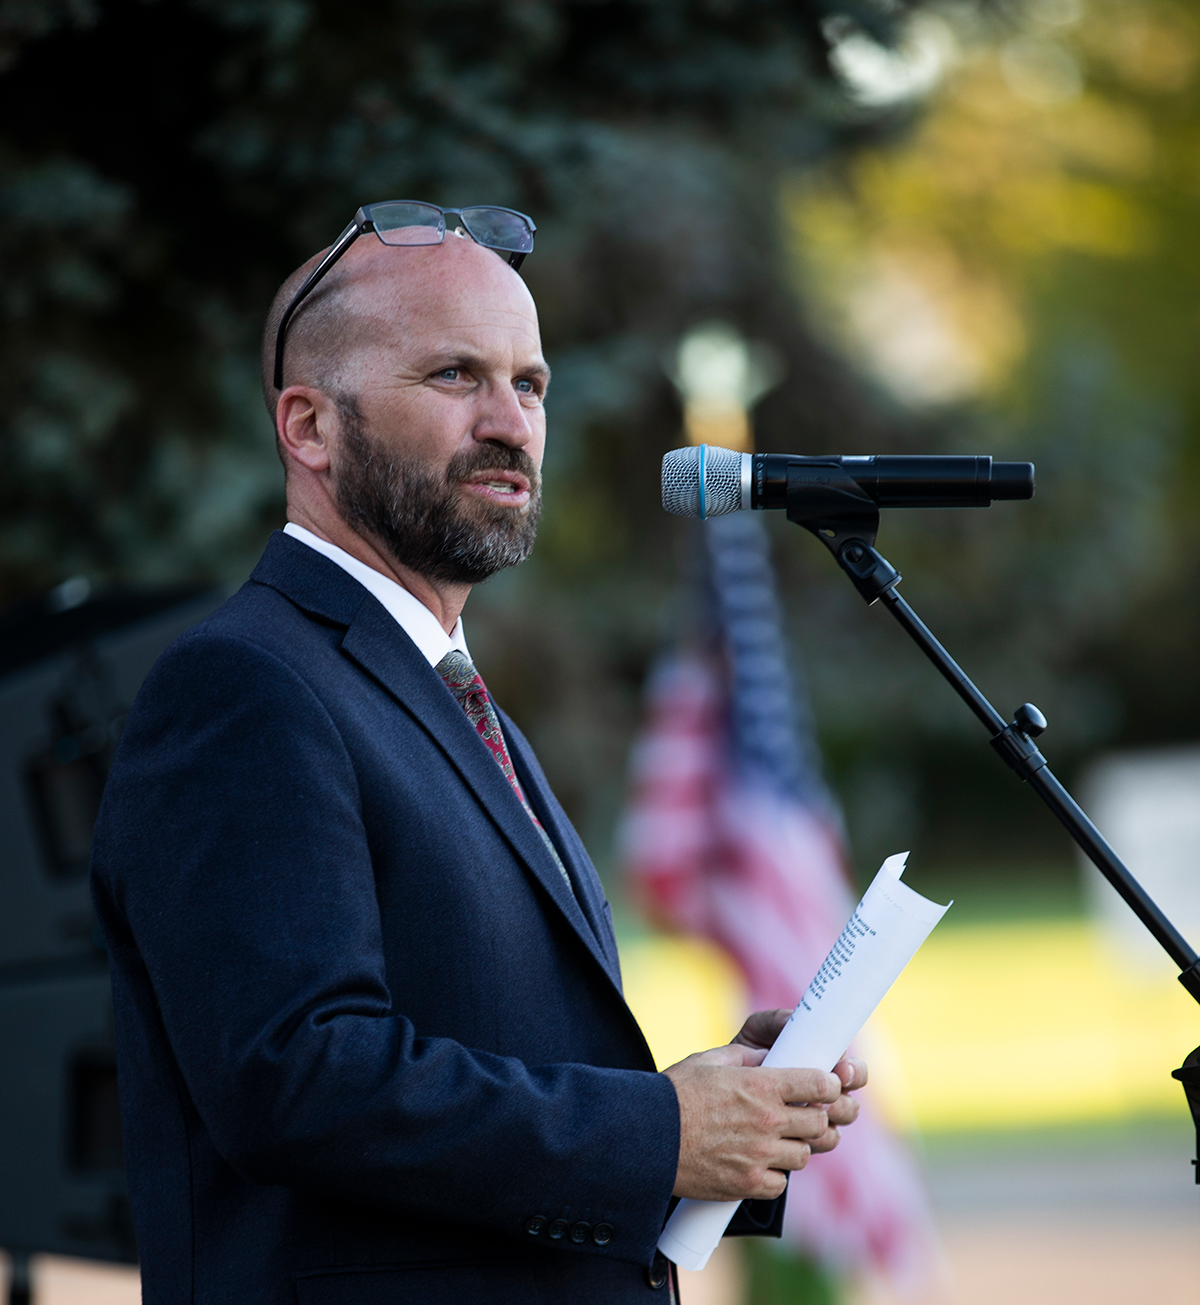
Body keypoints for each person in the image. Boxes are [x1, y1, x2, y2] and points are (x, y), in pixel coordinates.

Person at [90, 201, 867, 1305]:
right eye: (456, 376)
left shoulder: (443, 687)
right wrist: (657, 1128)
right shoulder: (245, 686)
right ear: (309, 427)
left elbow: (492, 1045)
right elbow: (297, 1077)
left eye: (532, 383)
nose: (511, 421)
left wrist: (730, 1113)